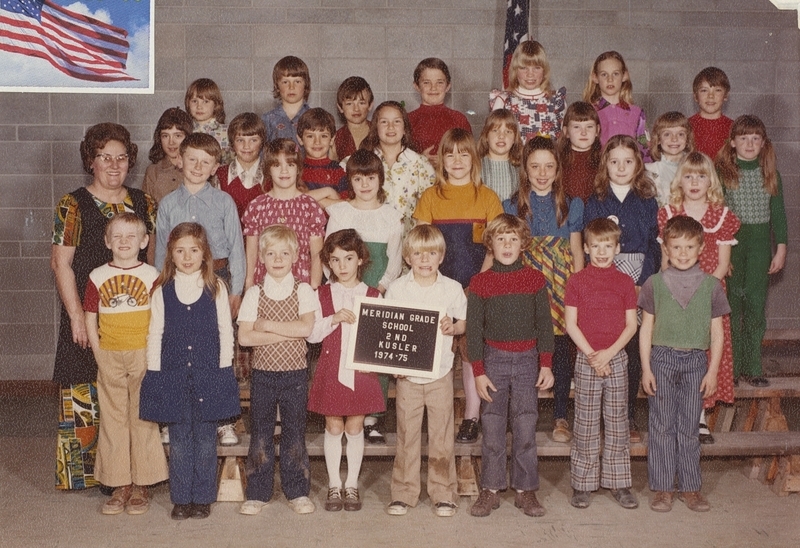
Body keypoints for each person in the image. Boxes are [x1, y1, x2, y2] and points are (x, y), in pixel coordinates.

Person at [52, 122, 156, 491]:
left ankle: (130, 476)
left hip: (131, 319)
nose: (114, 165)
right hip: (87, 311)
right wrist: (78, 316)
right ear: (90, 161)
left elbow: (152, 265)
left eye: (121, 158)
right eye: (104, 158)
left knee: (132, 399)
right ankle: (88, 475)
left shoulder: (144, 203)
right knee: (85, 389)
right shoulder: (72, 205)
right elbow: (60, 263)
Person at [140, 223, 239, 520]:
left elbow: (225, 330)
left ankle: (203, 497)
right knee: (181, 440)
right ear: (170, 254)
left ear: (204, 254)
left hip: (210, 374)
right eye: (180, 251)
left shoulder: (217, 287)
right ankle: (181, 498)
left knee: (206, 440)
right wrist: (155, 373)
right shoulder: (162, 290)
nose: (187, 257)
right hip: (173, 376)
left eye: (193, 250)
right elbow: (155, 333)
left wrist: (224, 369)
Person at [414, 128, 503, 444]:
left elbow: (496, 247)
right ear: (440, 159)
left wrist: (477, 285)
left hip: (474, 287)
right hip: (436, 286)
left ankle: (471, 416)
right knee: (434, 349)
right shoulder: (430, 197)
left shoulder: (487, 197)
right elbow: (421, 244)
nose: (456, 160)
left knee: (469, 353)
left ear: (474, 158)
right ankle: (427, 414)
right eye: (449, 153)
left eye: (463, 153)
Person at [467, 214, 554, 518]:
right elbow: (474, 331)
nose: (507, 244)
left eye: (513, 239)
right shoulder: (480, 283)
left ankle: (525, 490)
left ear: (523, 244)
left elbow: (545, 323)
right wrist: (478, 372)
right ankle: (490, 489)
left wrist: (546, 364)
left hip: (528, 360)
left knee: (526, 425)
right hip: (493, 361)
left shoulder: (534, 279)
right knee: (491, 426)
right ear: (489, 243)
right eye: (500, 239)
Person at [639, 216, 729, 513]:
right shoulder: (654, 284)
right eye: (676, 247)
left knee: (689, 427)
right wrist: (646, 368)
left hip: (695, 362)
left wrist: (713, 370)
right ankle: (664, 489)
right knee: (662, 425)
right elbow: (646, 328)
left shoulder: (712, 286)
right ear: (665, 247)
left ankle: (691, 488)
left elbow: (717, 332)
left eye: (689, 247)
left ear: (701, 247)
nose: (682, 253)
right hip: (662, 358)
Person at [84, 213, 168, 515]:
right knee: (113, 418)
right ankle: (119, 483)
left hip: (142, 352)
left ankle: (143, 483)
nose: (123, 242)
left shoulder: (152, 274)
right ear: (107, 241)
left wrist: (155, 354)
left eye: (131, 236)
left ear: (144, 241)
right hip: (109, 352)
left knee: (142, 416)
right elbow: (90, 316)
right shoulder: (96, 276)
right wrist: (98, 350)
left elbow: (159, 317)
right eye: (116, 236)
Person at [504, 135, 584, 444]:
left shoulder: (572, 204)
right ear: (524, 168)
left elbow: (577, 251)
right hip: (525, 281)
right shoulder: (512, 204)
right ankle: (524, 413)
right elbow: (507, 247)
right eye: (535, 166)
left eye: (549, 166)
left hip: (562, 282)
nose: (542, 173)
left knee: (561, 349)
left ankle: (561, 415)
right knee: (526, 350)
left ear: (558, 169)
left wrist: (576, 290)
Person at [658, 152, 740, 443]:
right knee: (677, 352)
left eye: (701, 176)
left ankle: (700, 416)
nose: (694, 182)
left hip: (707, 295)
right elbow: (665, 261)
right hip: (675, 293)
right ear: (680, 179)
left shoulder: (722, 216)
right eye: (689, 176)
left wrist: (701, 295)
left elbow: (721, 265)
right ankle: (676, 414)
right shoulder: (669, 213)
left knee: (703, 354)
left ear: (711, 181)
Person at [385, 225, 467, 518]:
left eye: (431, 253)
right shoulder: (397, 289)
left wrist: (453, 327)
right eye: (418, 253)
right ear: (407, 257)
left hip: (440, 373)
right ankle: (403, 493)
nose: (424, 259)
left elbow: (463, 323)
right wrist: (393, 365)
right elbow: (388, 329)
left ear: (441, 257)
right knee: (406, 435)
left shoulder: (452, 288)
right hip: (407, 376)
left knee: (441, 436)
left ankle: (443, 493)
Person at [584, 134, 660, 444]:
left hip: (638, 275)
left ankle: (626, 414)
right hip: (605, 275)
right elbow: (590, 242)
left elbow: (656, 242)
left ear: (638, 164)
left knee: (628, 346)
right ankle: (599, 415)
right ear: (605, 165)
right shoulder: (596, 200)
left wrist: (644, 278)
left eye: (628, 161)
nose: (621, 167)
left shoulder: (647, 199)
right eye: (614, 161)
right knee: (605, 340)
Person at [237, 225, 317, 516]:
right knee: (261, 433)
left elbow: (306, 328)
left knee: (294, 434)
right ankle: (258, 492)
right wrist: (289, 333)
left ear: (295, 256)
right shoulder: (254, 293)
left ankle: (297, 491)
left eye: (285, 253)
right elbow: (245, 337)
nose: (278, 259)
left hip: (295, 374)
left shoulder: (304, 290)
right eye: (271, 253)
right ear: (261, 257)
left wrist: (268, 326)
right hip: (263, 375)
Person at [307, 230, 385, 512]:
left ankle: (351, 484)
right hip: (331, 367)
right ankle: (334, 484)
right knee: (333, 425)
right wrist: (333, 318)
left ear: (361, 259)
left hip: (361, 370)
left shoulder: (374, 295)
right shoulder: (322, 294)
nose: (342, 266)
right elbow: (312, 335)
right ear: (328, 262)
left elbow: (382, 340)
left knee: (354, 427)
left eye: (348, 258)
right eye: (336, 260)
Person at [564, 218, 638, 510]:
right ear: (586, 247)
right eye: (596, 246)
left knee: (617, 421)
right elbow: (571, 324)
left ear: (617, 248)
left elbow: (631, 325)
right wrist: (594, 355)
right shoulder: (577, 280)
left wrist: (608, 354)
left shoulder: (624, 282)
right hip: (587, 357)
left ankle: (619, 482)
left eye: (608, 246)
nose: (602, 252)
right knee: (586, 421)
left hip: (616, 357)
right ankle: (583, 484)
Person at [716, 115, 787, 387]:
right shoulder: (724, 173)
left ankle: (753, 365)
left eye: (755, 139)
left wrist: (780, 249)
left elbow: (778, 215)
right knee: (732, 306)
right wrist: (724, 255)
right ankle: (731, 369)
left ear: (763, 143)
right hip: (732, 245)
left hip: (759, 245)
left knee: (756, 306)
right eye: (743, 138)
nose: (749, 143)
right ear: (732, 142)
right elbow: (718, 214)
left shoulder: (771, 174)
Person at [155, 133, 245, 320]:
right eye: (192, 159)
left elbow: (236, 248)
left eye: (205, 162)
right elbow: (161, 252)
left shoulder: (224, 202)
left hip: (217, 276)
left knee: (218, 333)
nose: (198, 167)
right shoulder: (167, 204)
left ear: (214, 168)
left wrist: (236, 291)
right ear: (180, 160)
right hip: (178, 278)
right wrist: (161, 288)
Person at [242, 138, 326, 291]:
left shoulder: (310, 206)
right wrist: (249, 284)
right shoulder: (257, 206)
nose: (284, 171)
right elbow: (252, 253)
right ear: (268, 169)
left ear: (298, 168)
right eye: (276, 165)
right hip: (264, 285)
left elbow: (316, 255)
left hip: (300, 286)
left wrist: (314, 288)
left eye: (290, 165)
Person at [325, 149, 403, 294]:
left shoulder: (391, 217)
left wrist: (377, 292)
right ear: (350, 181)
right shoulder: (340, 214)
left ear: (381, 179)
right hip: (342, 292)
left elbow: (394, 264)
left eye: (371, 178)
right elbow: (328, 257)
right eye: (358, 179)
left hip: (377, 293)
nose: (364, 185)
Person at [358, 100, 436, 238]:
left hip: (410, 245)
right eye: (384, 122)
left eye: (397, 122)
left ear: (405, 128)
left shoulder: (421, 164)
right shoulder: (363, 162)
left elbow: (431, 208)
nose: (390, 127)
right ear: (375, 127)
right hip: (371, 240)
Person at [489, 40, 566, 142]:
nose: (530, 74)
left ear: (544, 70)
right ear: (515, 70)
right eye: (523, 68)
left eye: (537, 68)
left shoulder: (556, 101)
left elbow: (563, 140)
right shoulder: (504, 100)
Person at [583, 51, 650, 160]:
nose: (610, 79)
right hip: (598, 173)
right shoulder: (588, 112)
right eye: (604, 74)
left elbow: (644, 149)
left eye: (615, 74)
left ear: (624, 76)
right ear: (595, 77)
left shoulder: (636, 113)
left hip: (629, 173)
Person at [408, 57, 472, 167]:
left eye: (440, 82)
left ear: (448, 86)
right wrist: (420, 160)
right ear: (417, 86)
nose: (433, 88)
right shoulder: (408, 119)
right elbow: (397, 156)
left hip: (452, 180)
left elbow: (470, 155)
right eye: (427, 82)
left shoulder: (459, 119)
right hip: (417, 181)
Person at [214, 112, 267, 224]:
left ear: (262, 142)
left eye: (253, 140)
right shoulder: (219, 175)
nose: (246, 146)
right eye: (240, 140)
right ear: (232, 143)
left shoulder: (271, 175)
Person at [298, 107, 348, 207]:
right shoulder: (295, 169)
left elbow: (346, 206)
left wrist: (308, 199)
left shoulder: (339, 171)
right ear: (300, 139)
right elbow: (291, 201)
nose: (317, 142)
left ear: (332, 139)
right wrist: (329, 193)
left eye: (324, 136)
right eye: (310, 136)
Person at [143, 107, 193, 204]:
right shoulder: (152, 171)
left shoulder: (197, 168)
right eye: (165, 136)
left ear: (188, 137)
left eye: (177, 136)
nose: (171, 142)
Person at [645, 112, 695, 206]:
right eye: (667, 134)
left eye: (680, 134)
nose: (674, 139)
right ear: (658, 139)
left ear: (687, 139)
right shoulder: (649, 171)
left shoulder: (695, 169)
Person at [556, 101, 602, 203]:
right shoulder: (557, 161)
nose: (584, 132)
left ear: (597, 130)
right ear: (566, 131)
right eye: (577, 127)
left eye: (589, 127)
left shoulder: (604, 161)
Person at [262, 55, 311, 145]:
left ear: (306, 84)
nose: (291, 87)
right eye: (285, 82)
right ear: (277, 86)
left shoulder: (314, 118)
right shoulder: (267, 120)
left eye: (297, 82)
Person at [477, 109, 523, 202]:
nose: (501, 136)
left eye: (508, 131)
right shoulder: (476, 166)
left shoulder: (521, 168)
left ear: (515, 138)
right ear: (486, 136)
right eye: (495, 130)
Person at [184, 78, 232, 164]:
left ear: (216, 104)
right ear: (188, 103)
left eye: (205, 101)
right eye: (194, 101)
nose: (199, 106)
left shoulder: (227, 132)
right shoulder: (185, 131)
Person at [688, 67, 733, 159]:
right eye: (704, 90)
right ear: (696, 96)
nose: (711, 96)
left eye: (717, 90)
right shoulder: (685, 126)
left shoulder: (734, 128)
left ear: (725, 96)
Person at [332, 76, 374, 161]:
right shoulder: (336, 139)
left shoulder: (379, 132)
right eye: (349, 104)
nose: (356, 109)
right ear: (340, 107)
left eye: (361, 103)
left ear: (370, 105)